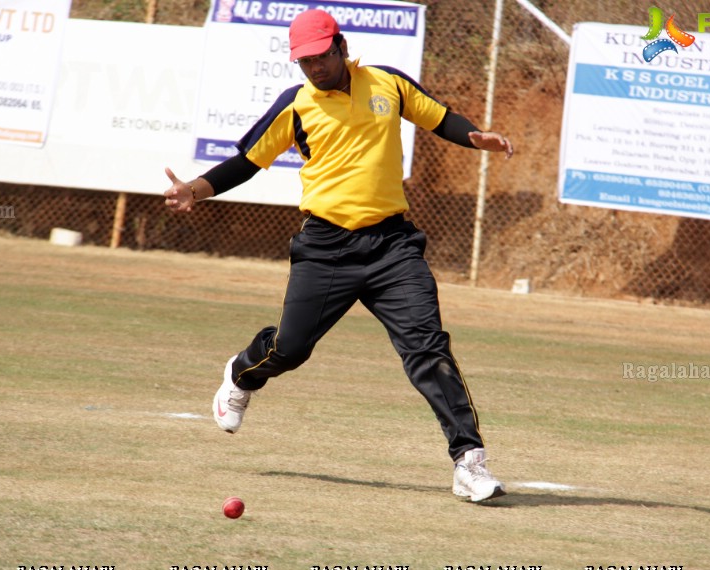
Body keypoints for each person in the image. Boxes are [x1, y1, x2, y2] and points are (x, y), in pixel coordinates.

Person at [164, 9, 514, 502]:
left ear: (341, 46)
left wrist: (474, 136)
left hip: (393, 246)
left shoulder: (386, 85)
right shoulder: (297, 104)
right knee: (289, 349)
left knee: (427, 350)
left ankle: (469, 463)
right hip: (326, 248)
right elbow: (248, 161)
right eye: (303, 61)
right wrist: (196, 190)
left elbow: (440, 118)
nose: (313, 68)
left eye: (320, 57)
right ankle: (241, 374)